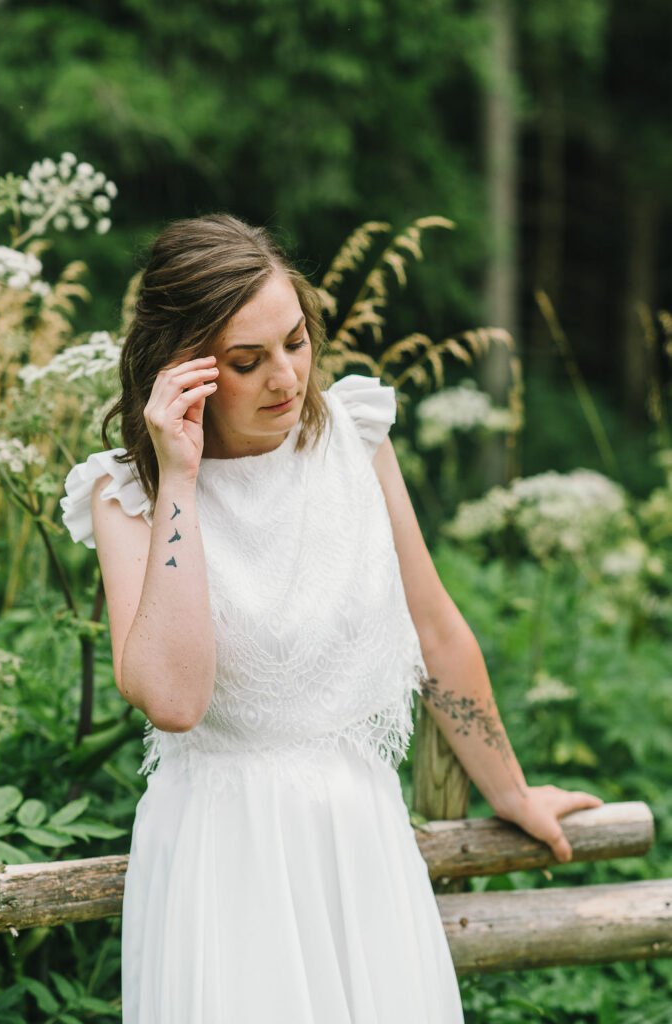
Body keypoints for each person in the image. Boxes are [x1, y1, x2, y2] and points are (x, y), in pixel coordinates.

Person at [60, 213, 603, 1023]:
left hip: (359, 845)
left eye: (296, 340)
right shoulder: (127, 496)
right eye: (249, 361)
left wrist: (512, 788)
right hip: (223, 862)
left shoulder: (352, 438)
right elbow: (173, 699)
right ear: (187, 372)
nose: (286, 376)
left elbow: (434, 627)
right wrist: (178, 475)